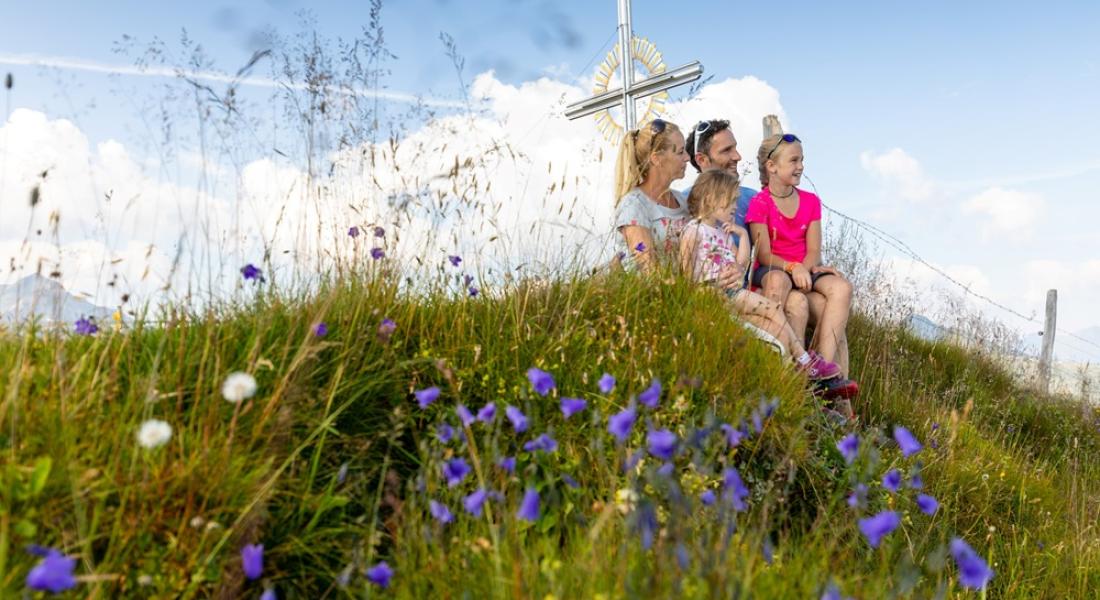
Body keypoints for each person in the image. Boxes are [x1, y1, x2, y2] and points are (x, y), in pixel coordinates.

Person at [680, 170, 853, 388]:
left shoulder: (722, 232)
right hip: (711, 292)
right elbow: (686, 274)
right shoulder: (693, 231)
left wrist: (742, 235)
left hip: (733, 291)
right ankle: (803, 362)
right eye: (730, 201)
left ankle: (802, 360)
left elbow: (740, 264)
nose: (735, 206)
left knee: (774, 309)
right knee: (773, 311)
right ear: (710, 199)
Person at [685, 119, 824, 339]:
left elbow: (785, 241)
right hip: (720, 292)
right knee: (794, 301)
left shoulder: (753, 198)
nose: (737, 156)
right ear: (702, 159)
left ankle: (813, 370)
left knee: (825, 303)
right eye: (727, 151)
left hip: (757, 284)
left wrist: (817, 266)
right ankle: (784, 364)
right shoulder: (689, 203)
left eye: (736, 148)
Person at [746, 133, 855, 399]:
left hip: (805, 268)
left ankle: (822, 371)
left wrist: (804, 268)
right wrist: (793, 269)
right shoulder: (760, 203)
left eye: (802, 160)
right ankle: (800, 369)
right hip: (774, 268)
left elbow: (814, 250)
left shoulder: (810, 201)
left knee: (841, 288)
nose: (801, 166)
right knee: (805, 304)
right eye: (794, 160)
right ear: (772, 166)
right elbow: (764, 252)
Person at [613, 119, 692, 269]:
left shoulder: (683, 200)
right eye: (681, 152)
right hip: (656, 292)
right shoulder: (634, 205)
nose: (687, 157)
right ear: (657, 159)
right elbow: (648, 269)